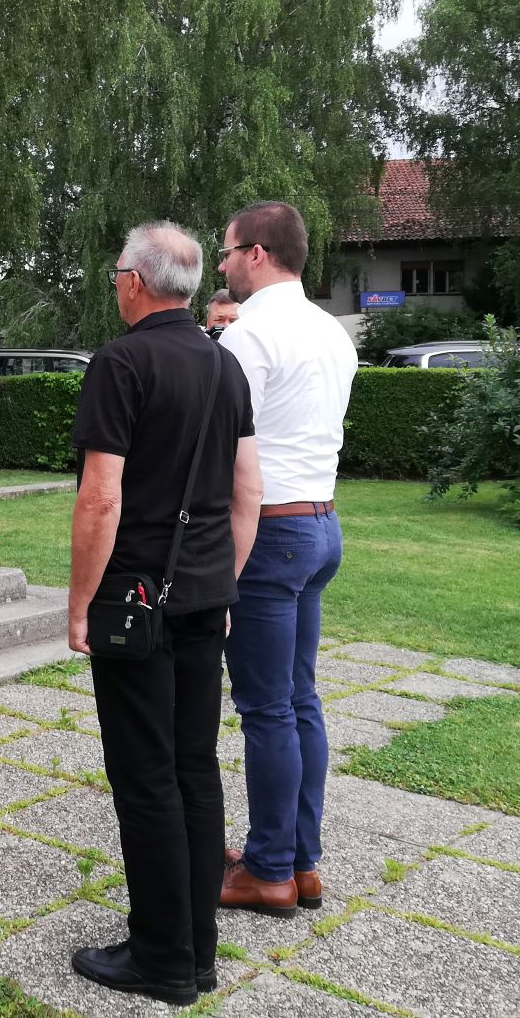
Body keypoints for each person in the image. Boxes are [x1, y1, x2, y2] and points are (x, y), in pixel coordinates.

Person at [67, 222, 262, 1003]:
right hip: (204, 598)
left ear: (138, 282)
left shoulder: (120, 364)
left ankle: (160, 960)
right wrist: (219, 581)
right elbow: (248, 493)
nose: (114, 282)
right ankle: (197, 950)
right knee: (193, 769)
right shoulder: (225, 364)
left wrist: (80, 604)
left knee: (145, 777)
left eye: (117, 271)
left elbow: (102, 497)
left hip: (136, 602)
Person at [215, 201, 357, 918]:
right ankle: (300, 860)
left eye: (229, 251)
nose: (222, 264)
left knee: (266, 707)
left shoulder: (251, 337)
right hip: (322, 523)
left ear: (259, 253)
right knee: (300, 699)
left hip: (270, 532)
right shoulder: (331, 332)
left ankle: (268, 869)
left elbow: (225, 451)